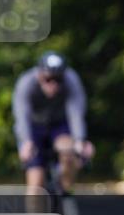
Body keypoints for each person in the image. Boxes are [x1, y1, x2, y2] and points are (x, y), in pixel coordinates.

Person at [13, 52, 92, 206]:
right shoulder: (26, 83)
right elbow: (21, 116)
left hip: (59, 125)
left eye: (58, 80)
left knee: (70, 152)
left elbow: (76, 112)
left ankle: (66, 189)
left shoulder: (71, 80)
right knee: (35, 180)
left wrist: (80, 140)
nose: (53, 84)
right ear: (40, 75)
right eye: (48, 79)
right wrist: (25, 142)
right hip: (33, 127)